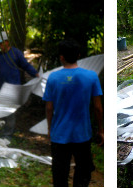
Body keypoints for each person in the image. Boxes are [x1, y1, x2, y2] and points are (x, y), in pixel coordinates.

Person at [43, 39, 102, 187]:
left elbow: (49, 108)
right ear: (79, 55)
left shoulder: (53, 78)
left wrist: (50, 128)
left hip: (59, 134)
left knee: (59, 174)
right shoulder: (91, 76)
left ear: (61, 57)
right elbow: (98, 107)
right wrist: (101, 130)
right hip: (82, 134)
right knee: (83, 172)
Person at [0, 31, 38, 137]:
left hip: (14, 88)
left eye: (1, 43)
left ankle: (7, 135)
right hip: (1, 89)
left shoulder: (16, 53)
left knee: (10, 113)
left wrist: (36, 74)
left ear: (7, 42)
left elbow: (26, 66)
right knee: (1, 111)